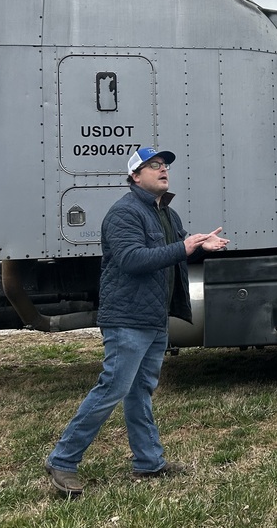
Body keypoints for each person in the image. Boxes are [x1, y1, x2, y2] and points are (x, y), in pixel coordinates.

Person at [44, 146, 229, 497]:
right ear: (135, 176)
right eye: (153, 165)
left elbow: (173, 254)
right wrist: (184, 248)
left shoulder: (166, 214)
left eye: (165, 164)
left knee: (140, 390)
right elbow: (132, 259)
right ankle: (62, 460)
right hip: (127, 318)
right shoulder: (124, 213)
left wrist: (200, 247)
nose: (163, 169)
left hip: (153, 317)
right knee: (112, 388)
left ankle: (149, 462)